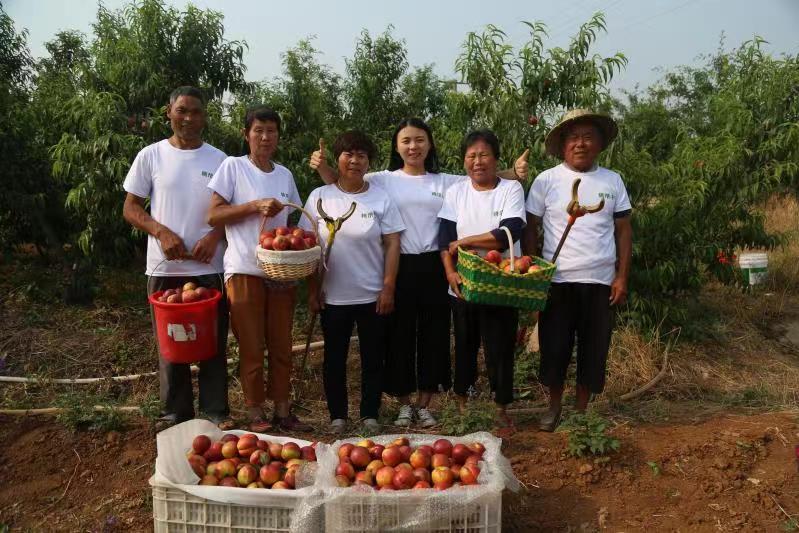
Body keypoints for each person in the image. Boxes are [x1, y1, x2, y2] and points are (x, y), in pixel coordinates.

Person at [309, 118, 529, 428]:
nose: (413, 146)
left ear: (429, 144)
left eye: (420, 140)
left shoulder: (446, 182)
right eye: (406, 141)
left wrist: (514, 174)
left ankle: (427, 402)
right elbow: (344, 177)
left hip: (436, 263)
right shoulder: (382, 178)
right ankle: (403, 401)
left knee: (434, 334)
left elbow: (482, 176)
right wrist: (321, 167)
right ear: (397, 146)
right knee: (398, 334)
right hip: (399, 263)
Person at [122, 85, 230, 430]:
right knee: (171, 344)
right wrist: (161, 232)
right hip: (164, 267)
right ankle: (176, 414)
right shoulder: (151, 156)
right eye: (181, 110)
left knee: (212, 342)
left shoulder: (221, 160)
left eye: (195, 111)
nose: (188, 118)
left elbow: (233, 211)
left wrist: (216, 235)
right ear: (168, 113)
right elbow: (131, 207)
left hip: (209, 268)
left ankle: (215, 412)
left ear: (205, 117)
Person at [523, 108, 633, 432]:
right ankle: (554, 406)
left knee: (594, 348)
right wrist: (533, 268)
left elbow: (623, 230)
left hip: (599, 281)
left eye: (588, 137)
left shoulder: (612, 180)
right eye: (573, 137)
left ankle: (581, 411)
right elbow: (530, 224)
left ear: (599, 143)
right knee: (555, 347)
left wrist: (621, 275)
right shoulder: (546, 180)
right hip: (556, 280)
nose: (580, 143)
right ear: (562, 145)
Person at [206, 105, 310, 433]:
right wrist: (254, 206)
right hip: (244, 269)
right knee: (251, 345)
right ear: (246, 134)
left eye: (272, 131)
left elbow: (293, 220)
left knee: (281, 344)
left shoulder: (284, 175)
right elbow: (214, 216)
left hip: (280, 271)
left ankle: (282, 408)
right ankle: (255, 411)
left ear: (278, 136)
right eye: (258, 131)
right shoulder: (233, 167)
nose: (265, 137)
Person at [301, 130, 404, 435]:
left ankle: (370, 413)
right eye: (348, 154)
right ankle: (338, 416)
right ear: (338, 158)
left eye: (361, 155)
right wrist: (312, 289)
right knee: (334, 359)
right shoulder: (320, 196)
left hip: (372, 295)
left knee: (373, 357)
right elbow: (307, 246)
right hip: (332, 295)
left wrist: (388, 287)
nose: (355, 161)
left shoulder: (381, 198)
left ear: (368, 161)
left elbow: (393, 243)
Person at [437, 129, 527, 432]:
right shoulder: (456, 192)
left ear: (496, 158)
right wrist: (451, 273)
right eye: (471, 156)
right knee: (464, 344)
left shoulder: (511, 189)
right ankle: (461, 402)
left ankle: (501, 407)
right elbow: (443, 239)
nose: (478, 161)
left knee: (500, 348)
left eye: (484, 154)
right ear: (464, 161)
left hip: (501, 282)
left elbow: (509, 234)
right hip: (463, 283)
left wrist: (465, 242)